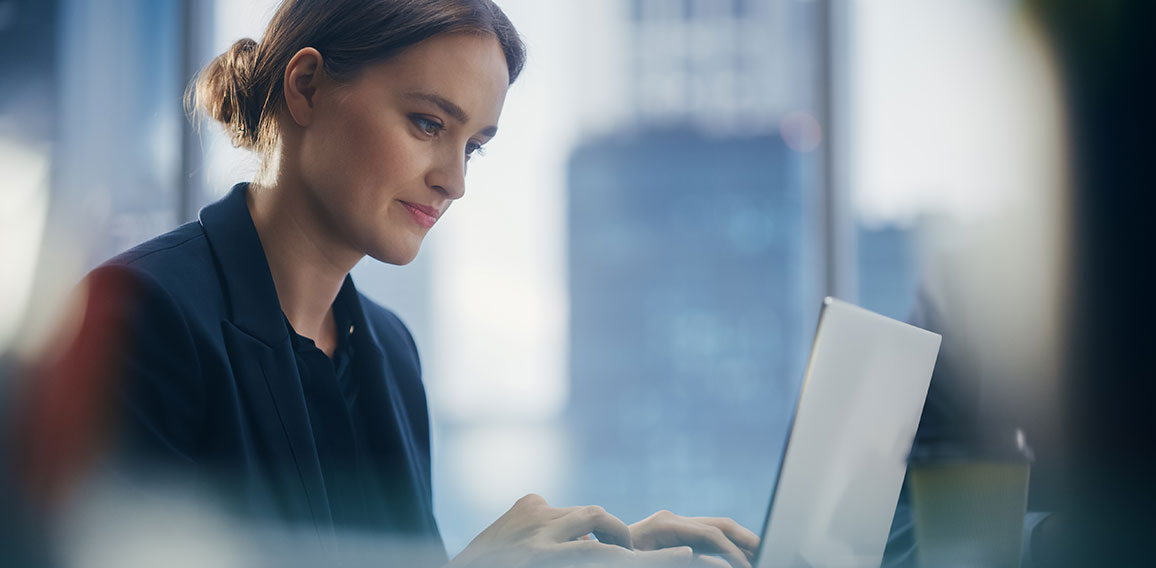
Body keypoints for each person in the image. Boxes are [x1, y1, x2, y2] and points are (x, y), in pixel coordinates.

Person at [45, 1, 759, 566]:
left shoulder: (388, 353)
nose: (454, 180)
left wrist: (609, 553)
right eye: (427, 123)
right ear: (307, 86)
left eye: (473, 145)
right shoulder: (137, 316)